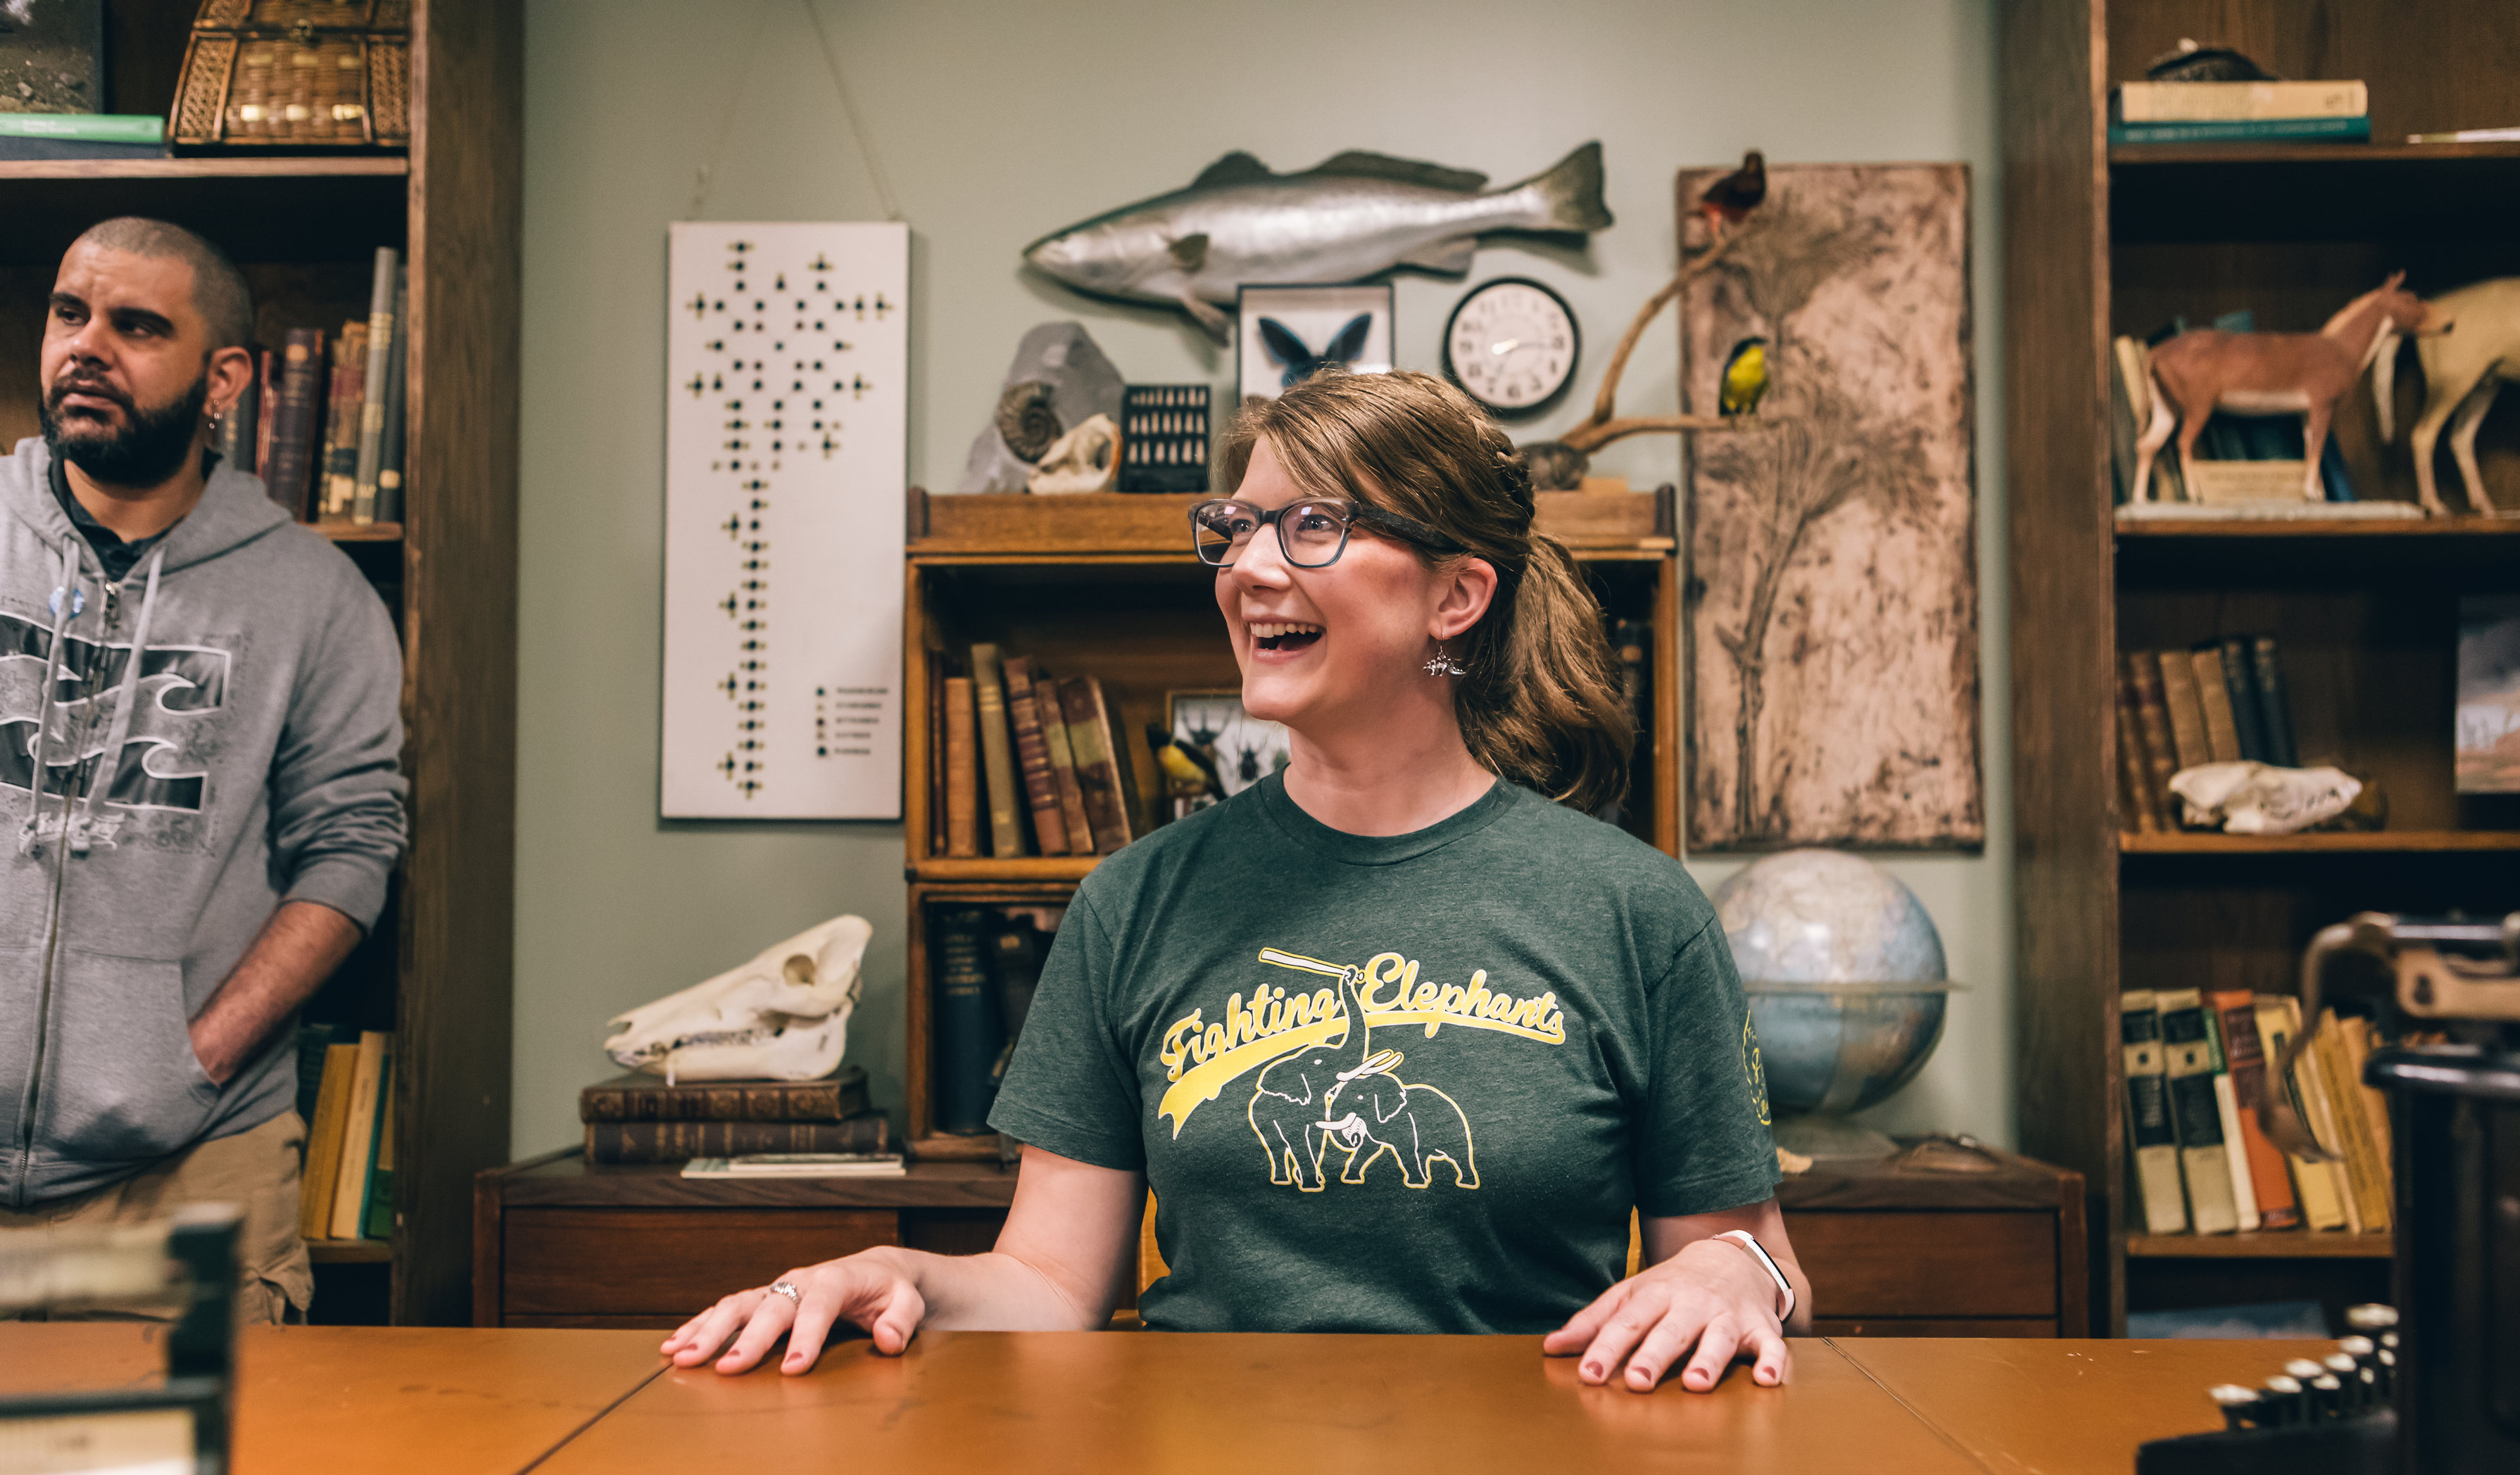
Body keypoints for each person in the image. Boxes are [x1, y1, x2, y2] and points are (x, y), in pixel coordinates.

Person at [668, 369, 1808, 1392]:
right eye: (1240, 528)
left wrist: (1733, 1273)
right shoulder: (1136, 900)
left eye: (1315, 525)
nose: (1253, 568)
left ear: (1457, 597)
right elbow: (1052, 1287)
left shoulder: (1636, 911)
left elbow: (1749, 1267)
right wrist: (890, 1270)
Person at [0, 218, 408, 1322]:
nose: (88, 347)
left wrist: (197, 1057)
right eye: (68, 313)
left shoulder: (317, 598)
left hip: (188, 1176)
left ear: (224, 375)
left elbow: (353, 849)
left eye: (137, 326)